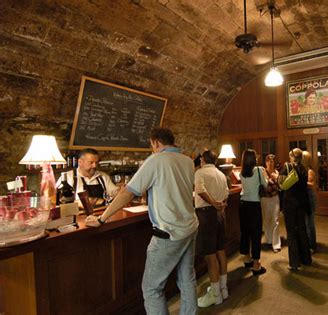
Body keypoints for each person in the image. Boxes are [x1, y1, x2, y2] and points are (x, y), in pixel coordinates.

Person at [85, 127, 199, 315]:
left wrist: (102, 218)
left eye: (151, 145)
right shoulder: (187, 161)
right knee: (187, 279)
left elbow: (128, 192)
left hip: (168, 233)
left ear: (155, 143)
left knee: (151, 288)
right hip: (190, 227)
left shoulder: (155, 160)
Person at [194, 150, 229, 308]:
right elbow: (227, 192)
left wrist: (214, 203)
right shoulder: (220, 173)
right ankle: (223, 288)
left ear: (202, 159)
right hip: (220, 215)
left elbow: (200, 191)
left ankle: (215, 295)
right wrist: (221, 204)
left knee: (210, 256)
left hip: (206, 215)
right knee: (220, 250)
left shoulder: (200, 172)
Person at [280, 148, 312, 271]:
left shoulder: (287, 167)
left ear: (292, 156)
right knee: (302, 231)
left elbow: (281, 184)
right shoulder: (304, 169)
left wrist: (277, 177)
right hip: (301, 204)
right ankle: (306, 259)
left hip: (290, 204)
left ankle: (294, 263)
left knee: (291, 233)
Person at [239, 149, 267, 276]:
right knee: (256, 234)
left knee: (245, 232)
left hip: (243, 204)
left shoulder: (241, 172)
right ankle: (256, 265)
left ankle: (247, 258)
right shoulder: (259, 170)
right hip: (254, 204)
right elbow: (265, 185)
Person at [260, 154, 281, 253]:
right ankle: (268, 240)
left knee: (275, 220)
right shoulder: (263, 171)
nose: (270, 163)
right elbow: (266, 186)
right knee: (267, 220)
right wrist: (274, 182)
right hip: (265, 199)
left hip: (275, 198)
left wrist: (273, 182)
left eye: (272, 161)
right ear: (265, 162)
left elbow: (279, 186)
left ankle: (276, 244)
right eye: (268, 161)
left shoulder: (276, 172)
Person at [302, 151, 318, 252]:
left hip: (309, 198)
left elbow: (311, 184)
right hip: (305, 198)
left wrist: (299, 181)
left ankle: (312, 245)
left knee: (309, 223)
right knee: (305, 222)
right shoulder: (303, 170)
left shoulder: (309, 171)